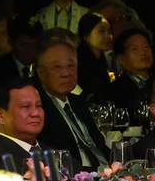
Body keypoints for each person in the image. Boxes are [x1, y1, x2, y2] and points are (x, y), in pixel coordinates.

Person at [34, 38, 108, 171]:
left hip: (105, 173)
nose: (66, 74)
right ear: (41, 73)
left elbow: (99, 145)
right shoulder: (38, 107)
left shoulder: (78, 102)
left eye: (70, 66)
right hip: (75, 177)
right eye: (57, 67)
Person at [0, 77, 48, 170]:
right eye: (26, 106)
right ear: (0, 115)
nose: (35, 113)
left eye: (39, 106)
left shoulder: (55, 154)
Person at [105, 27, 154, 121]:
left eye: (146, 47)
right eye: (134, 49)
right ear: (121, 59)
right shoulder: (114, 91)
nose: (143, 52)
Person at [76, 13, 114, 97]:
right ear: (86, 36)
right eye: (101, 31)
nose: (108, 36)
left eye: (109, 31)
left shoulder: (101, 60)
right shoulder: (80, 64)